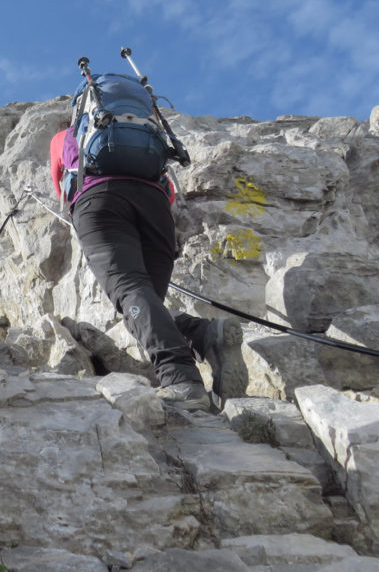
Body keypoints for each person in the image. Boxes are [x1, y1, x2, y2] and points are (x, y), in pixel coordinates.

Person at [51, 83, 241, 412]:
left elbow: (63, 188)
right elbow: (166, 186)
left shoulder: (64, 138)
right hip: (155, 206)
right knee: (144, 302)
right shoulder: (147, 134)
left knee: (129, 290)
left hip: (100, 204)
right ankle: (205, 334)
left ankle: (180, 378)